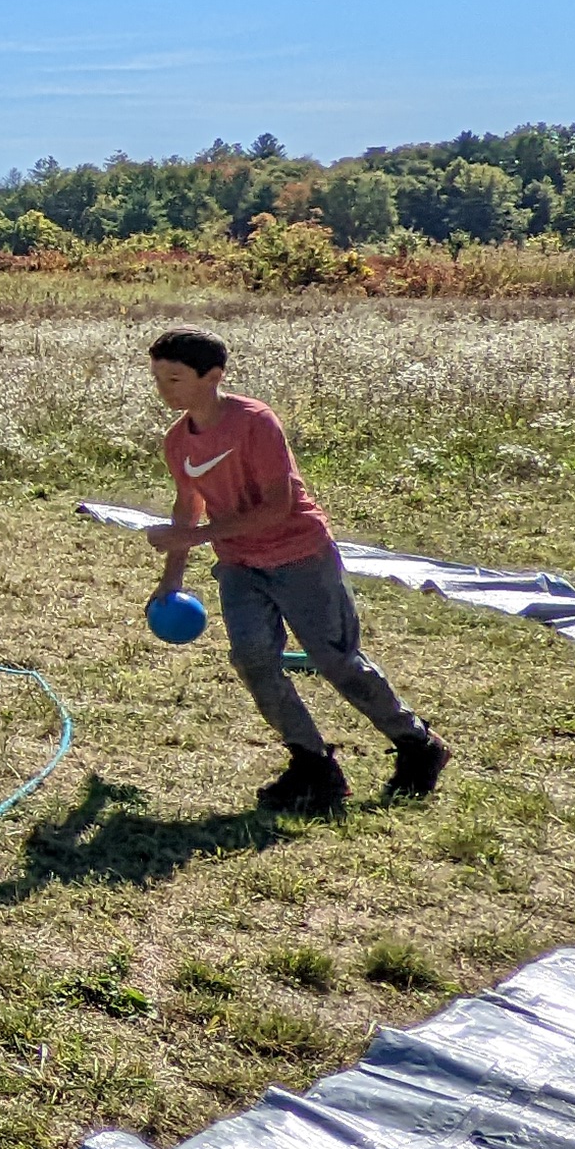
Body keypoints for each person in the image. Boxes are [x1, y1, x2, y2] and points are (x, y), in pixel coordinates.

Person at [126, 326, 449, 816]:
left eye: (173, 378)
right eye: (157, 379)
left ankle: (417, 743)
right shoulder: (178, 441)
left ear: (214, 376)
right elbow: (186, 507)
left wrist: (193, 538)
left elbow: (277, 507)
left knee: (337, 661)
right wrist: (172, 576)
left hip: (301, 558)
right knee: (254, 660)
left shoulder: (255, 422)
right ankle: (312, 765)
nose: (163, 390)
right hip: (239, 567)